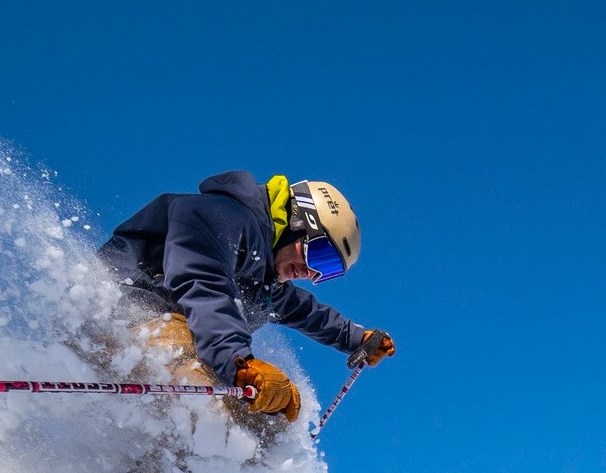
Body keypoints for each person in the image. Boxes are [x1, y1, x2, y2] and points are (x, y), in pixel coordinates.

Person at [96, 171, 394, 426]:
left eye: (326, 271)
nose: (310, 272)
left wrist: (356, 338)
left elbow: (303, 310)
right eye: (320, 255)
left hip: (174, 336)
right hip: (129, 311)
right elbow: (204, 282)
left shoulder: (265, 280)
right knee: (208, 406)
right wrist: (239, 362)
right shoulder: (219, 216)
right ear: (297, 223)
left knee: (263, 420)